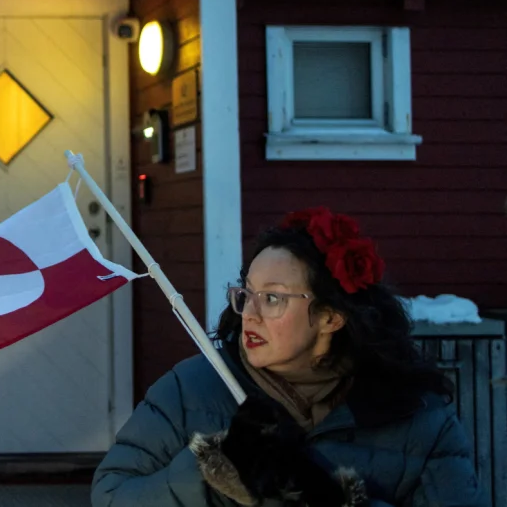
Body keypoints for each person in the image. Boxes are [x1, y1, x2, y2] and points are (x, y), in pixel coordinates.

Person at [90, 207, 488, 506]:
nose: (249, 312)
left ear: (331, 316)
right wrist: (209, 478)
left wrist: (327, 496)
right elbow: (111, 496)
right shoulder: (190, 389)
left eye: (274, 298)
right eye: (246, 293)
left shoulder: (416, 416)